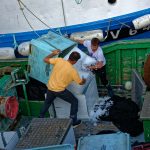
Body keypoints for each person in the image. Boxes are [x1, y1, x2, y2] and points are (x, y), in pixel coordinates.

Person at [39, 50, 86, 126]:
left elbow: (45, 59)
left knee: (47, 103)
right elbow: (80, 83)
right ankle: (73, 121)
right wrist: (84, 80)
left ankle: (40, 118)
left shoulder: (59, 60)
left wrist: (53, 53)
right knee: (74, 101)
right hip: (60, 91)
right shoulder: (73, 71)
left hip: (50, 88)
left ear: (69, 57)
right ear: (75, 61)